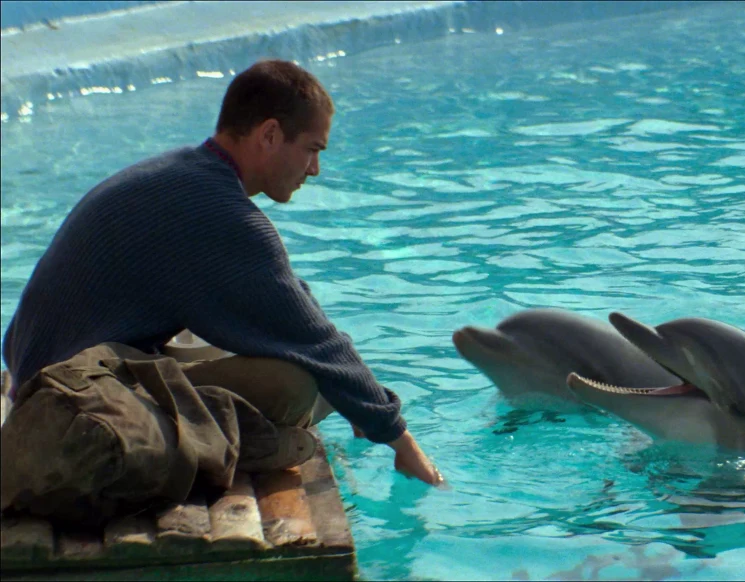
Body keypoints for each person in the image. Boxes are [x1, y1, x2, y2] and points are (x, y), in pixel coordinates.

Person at [1, 59, 444, 487]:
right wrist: (400, 440)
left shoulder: (183, 173)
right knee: (300, 384)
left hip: (45, 369)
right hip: (72, 403)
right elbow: (315, 341)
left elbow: (289, 303)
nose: (315, 169)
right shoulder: (218, 211)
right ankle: (267, 445)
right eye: (312, 149)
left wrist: (362, 401)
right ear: (270, 135)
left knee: (303, 356)